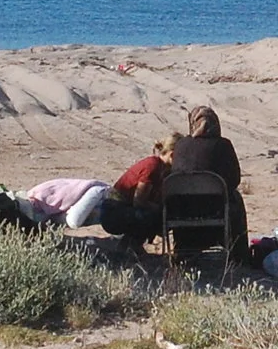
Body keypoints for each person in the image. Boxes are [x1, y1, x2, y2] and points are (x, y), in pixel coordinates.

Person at [167, 105, 247, 253]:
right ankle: (238, 253)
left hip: (183, 209)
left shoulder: (181, 145)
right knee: (236, 198)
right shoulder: (223, 145)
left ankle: (182, 248)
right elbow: (234, 179)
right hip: (215, 208)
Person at [97, 142, 169, 248]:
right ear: (172, 154)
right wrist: (159, 209)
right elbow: (139, 201)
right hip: (114, 212)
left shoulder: (161, 166)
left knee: (156, 214)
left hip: (120, 208)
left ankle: (129, 247)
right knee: (150, 216)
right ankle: (129, 249)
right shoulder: (153, 166)